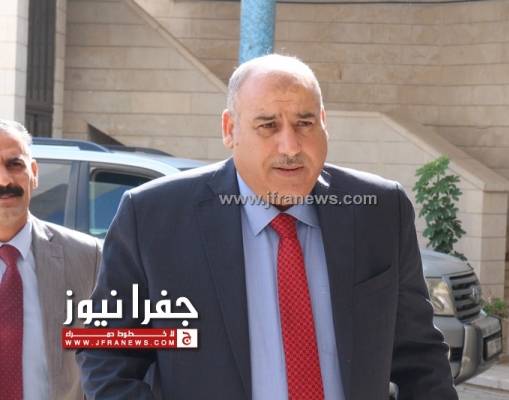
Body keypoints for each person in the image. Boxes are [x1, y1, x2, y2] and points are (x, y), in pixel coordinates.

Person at [77, 54, 458, 400]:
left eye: (304, 123)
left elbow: (419, 354)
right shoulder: (153, 216)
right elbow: (105, 351)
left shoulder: (380, 209)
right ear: (230, 129)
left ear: (324, 123)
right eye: (268, 126)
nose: (290, 146)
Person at [0, 119, 101, 400]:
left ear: (33, 173)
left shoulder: (87, 256)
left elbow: (116, 357)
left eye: (14, 164)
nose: (4, 181)